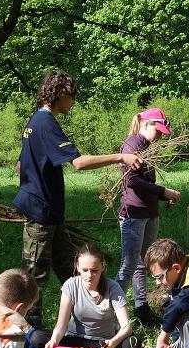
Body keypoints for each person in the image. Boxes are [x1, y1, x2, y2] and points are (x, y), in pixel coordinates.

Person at [13, 70, 142, 327]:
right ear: (59, 93)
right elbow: (79, 163)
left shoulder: (34, 122)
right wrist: (120, 157)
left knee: (70, 268)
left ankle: (88, 319)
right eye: (71, 96)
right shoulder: (46, 124)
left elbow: (20, 165)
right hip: (40, 212)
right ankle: (28, 335)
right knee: (34, 277)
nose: (72, 102)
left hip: (50, 211)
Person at [115, 108, 181, 326]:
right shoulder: (132, 145)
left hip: (149, 212)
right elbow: (131, 181)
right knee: (129, 264)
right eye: (158, 130)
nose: (161, 135)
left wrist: (162, 196)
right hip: (133, 214)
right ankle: (113, 311)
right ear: (146, 125)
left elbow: (146, 184)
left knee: (144, 263)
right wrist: (163, 191)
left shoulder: (146, 146)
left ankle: (141, 307)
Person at [29, 244, 137, 348]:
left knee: (131, 344)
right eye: (85, 270)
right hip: (73, 341)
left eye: (94, 270)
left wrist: (113, 342)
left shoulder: (113, 288)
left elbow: (127, 327)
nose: (89, 275)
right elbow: (61, 325)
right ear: (77, 267)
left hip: (102, 343)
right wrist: (55, 339)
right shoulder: (70, 285)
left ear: (102, 267)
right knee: (36, 338)